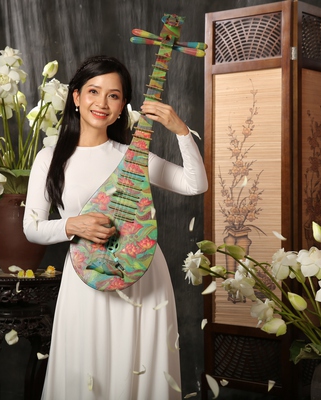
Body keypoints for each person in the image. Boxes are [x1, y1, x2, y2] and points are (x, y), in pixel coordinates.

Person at [23, 55, 208, 400]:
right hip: (86, 276)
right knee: (86, 372)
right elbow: (32, 228)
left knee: (140, 369)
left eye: (114, 95)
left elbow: (195, 184)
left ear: (123, 106)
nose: (102, 103)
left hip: (142, 275)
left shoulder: (131, 157)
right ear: (76, 97)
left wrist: (181, 130)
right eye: (93, 91)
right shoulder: (50, 158)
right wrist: (72, 225)